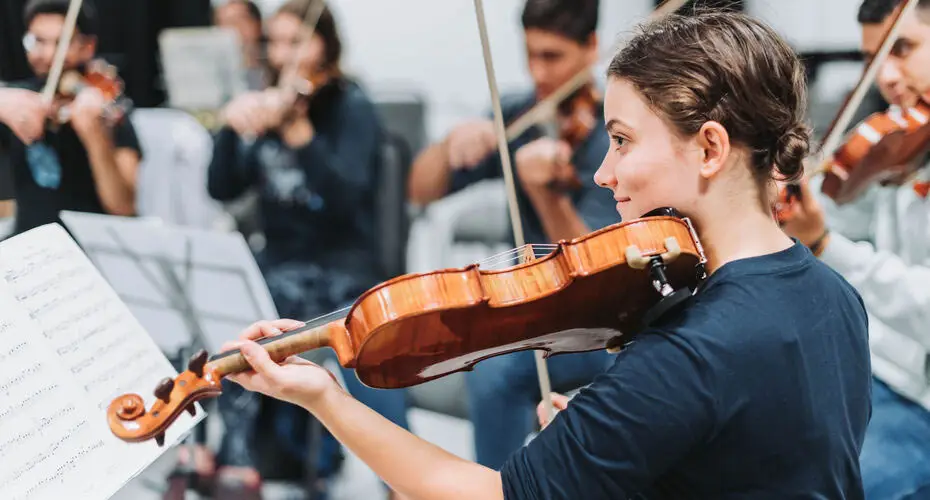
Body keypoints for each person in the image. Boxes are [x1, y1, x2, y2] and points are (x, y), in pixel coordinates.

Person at [223, 11, 872, 499]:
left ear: (709, 148)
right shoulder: (836, 296)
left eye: (622, 141)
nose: (604, 172)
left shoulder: (687, 354)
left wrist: (326, 399)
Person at [205, 1, 409, 498]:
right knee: (219, 303)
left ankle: (399, 477)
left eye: (295, 42)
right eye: (274, 42)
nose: (282, 54)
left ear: (325, 45)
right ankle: (238, 460)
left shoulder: (350, 106)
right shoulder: (268, 102)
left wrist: (300, 135)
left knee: (255, 312)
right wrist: (230, 130)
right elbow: (221, 187)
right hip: (280, 262)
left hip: (342, 267)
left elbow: (344, 200)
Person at [407, 0, 618, 470]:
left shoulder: (613, 131)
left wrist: (543, 192)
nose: (538, 72)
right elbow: (419, 189)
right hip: (527, 310)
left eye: (553, 56)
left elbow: (596, 268)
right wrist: (450, 144)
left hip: (596, 324)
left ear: (591, 46)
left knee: (495, 370)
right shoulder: (519, 113)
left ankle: (496, 486)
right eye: (530, 55)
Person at [781, 0, 930, 497]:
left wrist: (825, 243)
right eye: (873, 59)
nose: (886, 76)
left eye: (902, 49)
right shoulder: (903, 138)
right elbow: (838, 213)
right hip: (878, 373)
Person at [0, 0, 141, 236]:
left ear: (88, 47)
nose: (48, 55)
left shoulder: (110, 109)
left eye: (60, 43)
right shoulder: (20, 98)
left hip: (90, 247)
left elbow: (123, 207)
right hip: (29, 242)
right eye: (38, 41)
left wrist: (94, 134)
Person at [214, 0, 269, 91]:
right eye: (222, 23)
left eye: (235, 22)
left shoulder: (273, 67)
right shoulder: (214, 74)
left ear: (257, 25)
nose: (228, 30)